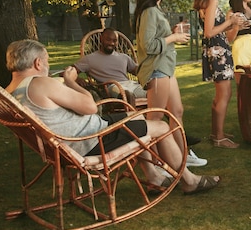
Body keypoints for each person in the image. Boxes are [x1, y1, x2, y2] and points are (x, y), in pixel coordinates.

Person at [5, 39, 219, 194]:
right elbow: (90, 106)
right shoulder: (40, 83)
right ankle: (189, 181)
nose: (48, 66)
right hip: (90, 141)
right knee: (161, 125)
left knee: (135, 116)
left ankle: (153, 175)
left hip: (74, 140)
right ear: (37, 63)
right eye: (47, 61)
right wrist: (70, 81)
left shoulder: (10, 92)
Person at [74, 27, 207, 167]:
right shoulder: (90, 59)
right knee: (140, 96)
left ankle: (180, 136)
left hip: (132, 84)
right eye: (108, 39)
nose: (112, 43)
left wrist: (154, 70)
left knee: (165, 95)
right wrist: (77, 80)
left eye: (115, 41)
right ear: (101, 39)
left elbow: (139, 71)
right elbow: (69, 71)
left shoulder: (123, 57)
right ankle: (164, 142)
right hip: (113, 87)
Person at [134, 0, 191, 155]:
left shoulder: (156, 10)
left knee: (177, 112)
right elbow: (147, 45)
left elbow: (157, 37)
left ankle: (183, 155)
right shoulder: (149, 11)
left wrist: (172, 32)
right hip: (156, 70)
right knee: (156, 119)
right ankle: (155, 161)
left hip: (166, 69)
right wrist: (173, 38)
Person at [193, 0, 245, 149]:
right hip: (218, 52)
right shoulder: (212, 1)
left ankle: (217, 132)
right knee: (224, 94)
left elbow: (218, 31)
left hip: (217, 49)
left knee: (221, 94)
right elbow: (209, 32)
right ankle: (219, 138)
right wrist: (230, 21)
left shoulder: (205, 1)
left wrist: (233, 26)